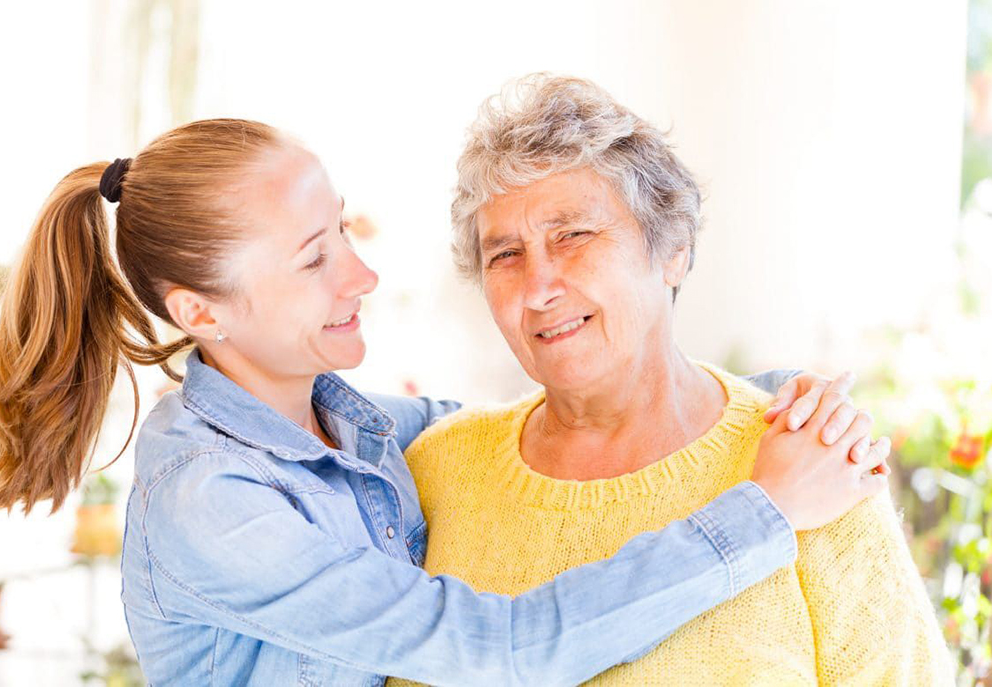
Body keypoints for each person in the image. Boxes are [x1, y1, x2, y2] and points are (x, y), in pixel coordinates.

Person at [0, 118, 888, 686]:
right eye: (313, 257)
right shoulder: (212, 500)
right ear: (199, 313)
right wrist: (765, 510)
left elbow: (569, 409)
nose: (362, 273)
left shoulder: (359, 427)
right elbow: (501, 649)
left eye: (342, 227)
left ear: (673, 247)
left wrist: (779, 401)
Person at [391, 75, 954, 686]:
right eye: (505, 255)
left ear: (673, 250)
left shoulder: (810, 467)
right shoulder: (436, 472)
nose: (538, 288)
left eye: (572, 235)